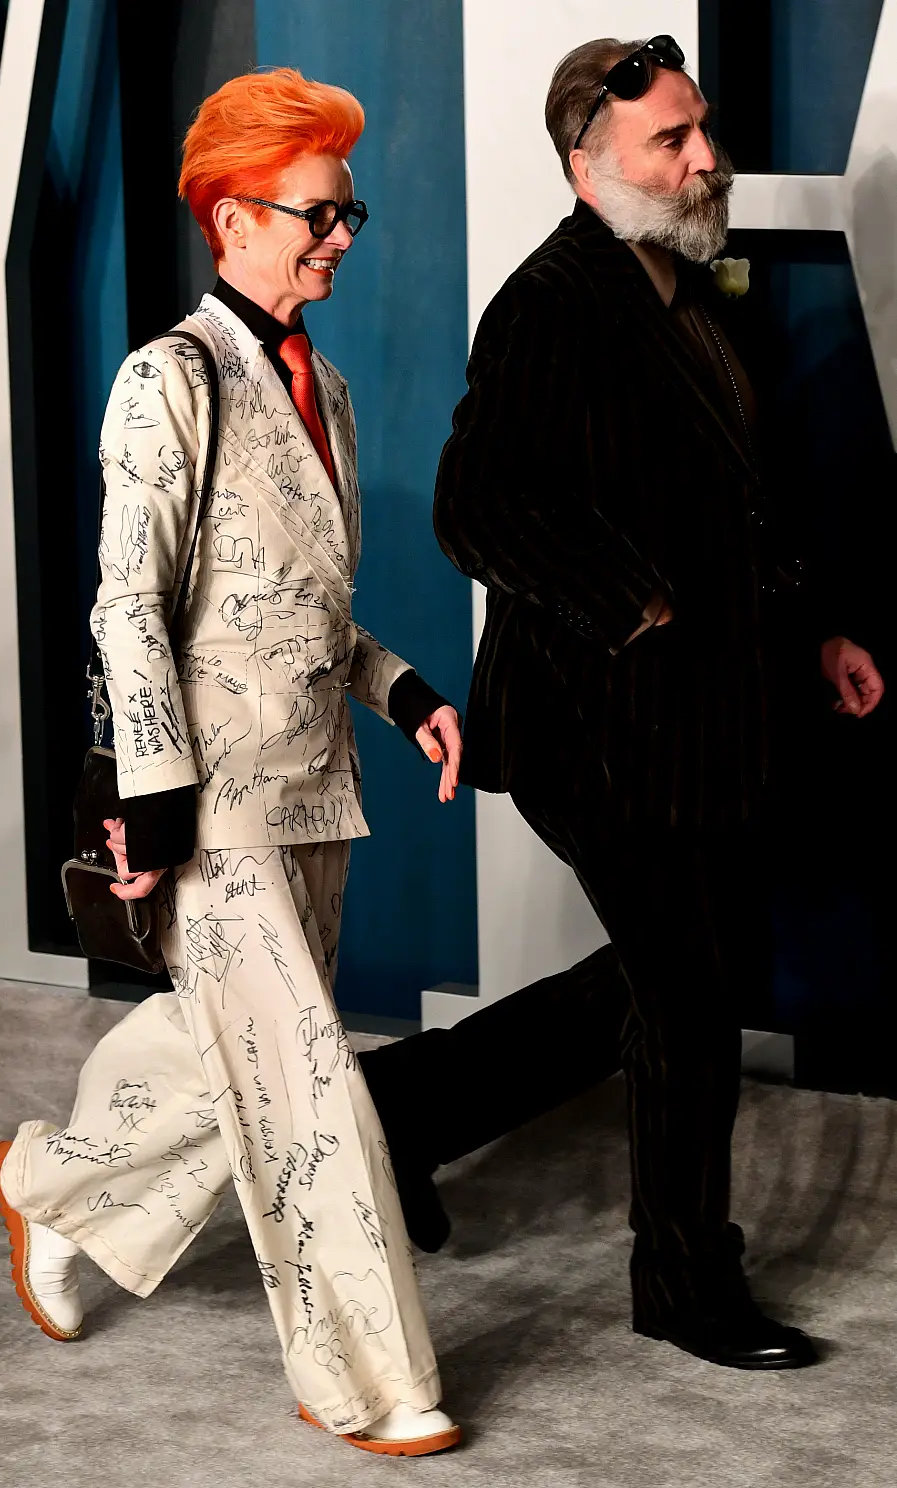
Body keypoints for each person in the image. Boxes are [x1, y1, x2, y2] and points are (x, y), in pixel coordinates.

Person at [361, 35, 885, 1370]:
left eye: (700, 129)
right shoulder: (550, 306)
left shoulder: (684, 285)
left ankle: (405, 1107)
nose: (705, 156)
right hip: (597, 734)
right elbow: (474, 505)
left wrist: (815, 627)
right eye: (672, 141)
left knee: (665, 982)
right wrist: (631, 601)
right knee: (695, 995)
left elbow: (737, 503)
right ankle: (685, 1281)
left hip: (703, 725)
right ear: (585, 167)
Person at [0, 68, 464, 1458]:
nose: (341, 238)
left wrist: (406, 687)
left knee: (229, 1060)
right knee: (310, 1088)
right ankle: (370, 1383)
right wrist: (154, 789)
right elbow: (129, 603)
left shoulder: (333, 393)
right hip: (215, 805)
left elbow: (295, 604)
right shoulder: (165, 380)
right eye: (316, 214)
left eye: (348, 213)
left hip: (322, 787)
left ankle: (50, 1184)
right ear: (229, 215)